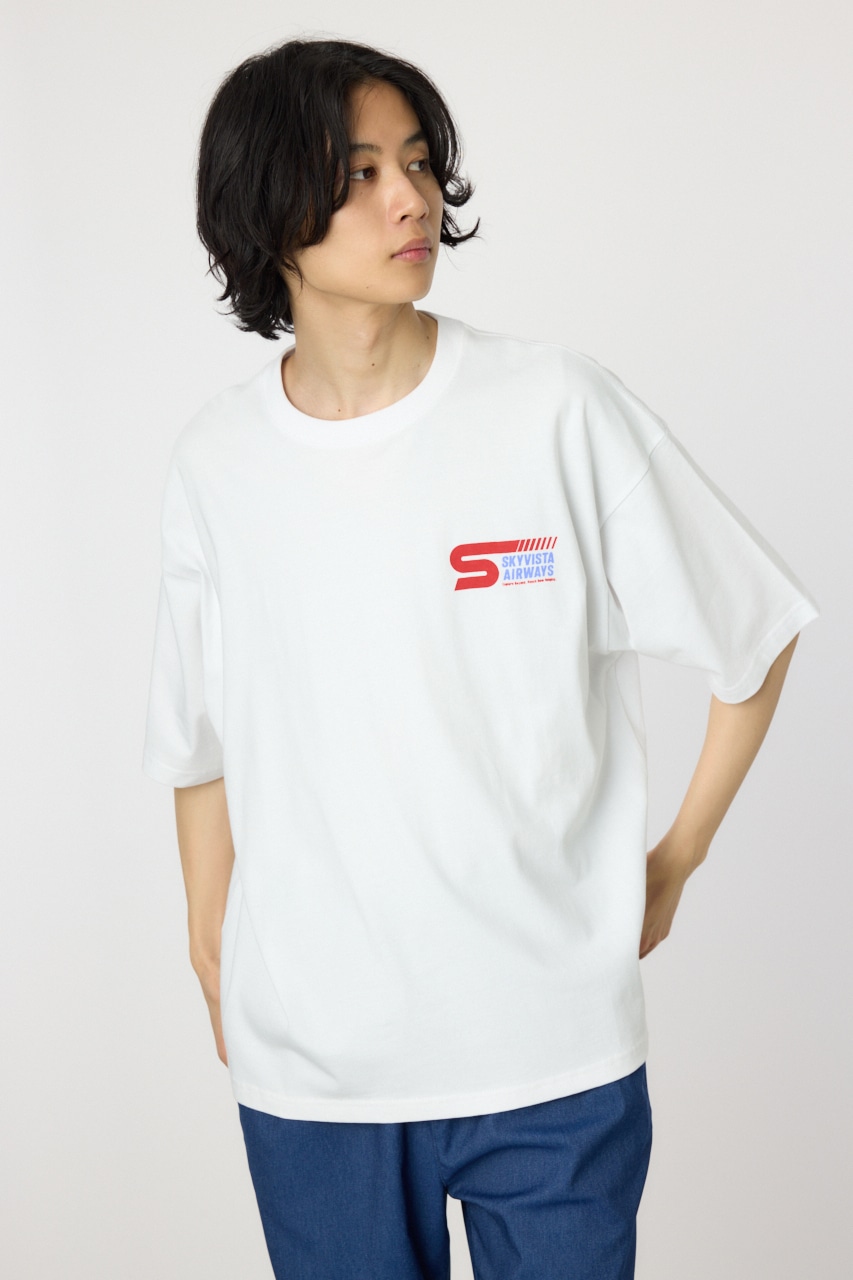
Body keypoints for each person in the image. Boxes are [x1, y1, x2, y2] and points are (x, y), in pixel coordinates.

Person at [142, 36, 818, 1280]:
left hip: (552, 1054)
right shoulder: (216, 462)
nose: (408, 200)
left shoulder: (553, 406)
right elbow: (200, 739)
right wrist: (208, 938)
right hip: (318, 1074)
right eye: (358, 173)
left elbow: (752, 630)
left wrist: (674, 860)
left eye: (416, 163)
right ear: (265, 208)